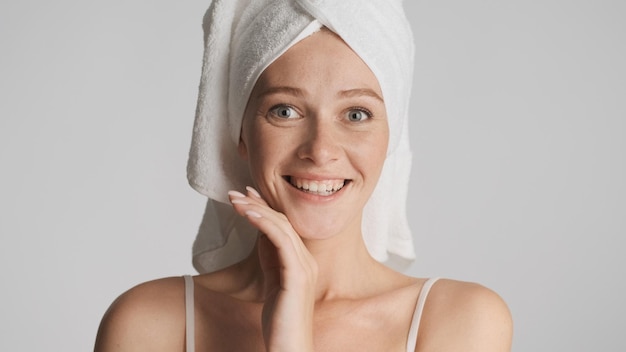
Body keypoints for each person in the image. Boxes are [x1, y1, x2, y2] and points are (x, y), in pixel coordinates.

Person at [94, 0, 513, 351]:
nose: (320, 150)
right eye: (284, 111)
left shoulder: (461, 321)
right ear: (239, 132)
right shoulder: (150, 324)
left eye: (356, 114)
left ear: (391, 136)